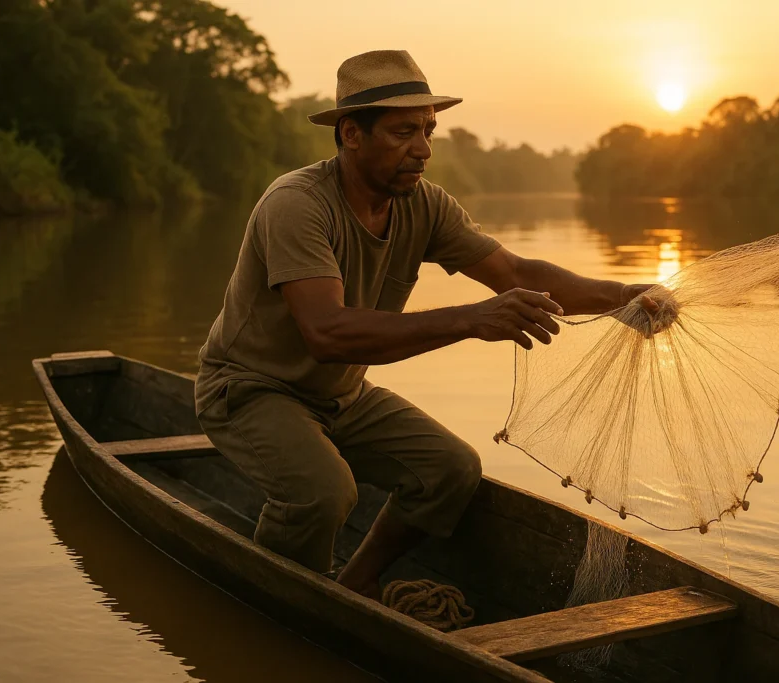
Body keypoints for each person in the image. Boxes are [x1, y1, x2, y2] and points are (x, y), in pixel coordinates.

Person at [194, 49, 658, 600]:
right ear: (351, 134)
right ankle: (278, 602)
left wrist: (624, 297)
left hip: (340, 396)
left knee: (451, 470)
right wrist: (470, 319)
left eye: (428, 130)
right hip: (250, 389)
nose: (423, 149)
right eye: (403, 132)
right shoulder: (296, 205)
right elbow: (327, 334)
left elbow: (514, 273)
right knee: (323, 493)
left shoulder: (424, 205)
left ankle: (357, 581)